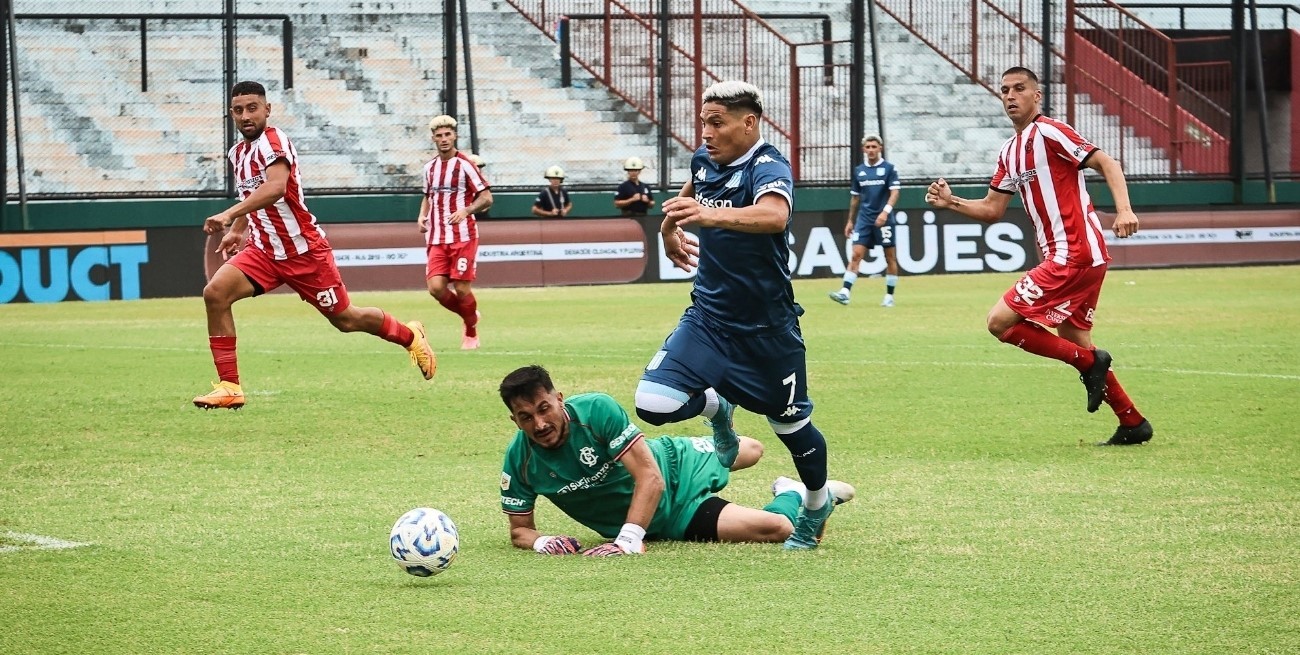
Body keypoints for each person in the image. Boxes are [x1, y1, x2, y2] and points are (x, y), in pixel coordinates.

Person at [633, 80, 838, 551]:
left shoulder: (769, 165)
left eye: (716, 122)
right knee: (653, 403)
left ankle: (815, 503)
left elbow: (774, 217)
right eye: (704, 120)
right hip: (708, 317)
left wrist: (707, 215)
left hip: (768, 330)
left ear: (748, 123)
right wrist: (668, 228)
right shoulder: (705, 160)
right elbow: (689, 196)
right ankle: (717, 408)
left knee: (792, 428)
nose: (706, 131)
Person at [924, 66, 1153, 446]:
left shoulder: (1049, 131)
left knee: (999, 322)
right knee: (1076, 338)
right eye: (1004, 90)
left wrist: (1125, 210)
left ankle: (1089, 365)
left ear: (1037, 95)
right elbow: (993, 209)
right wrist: (952, 202)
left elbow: (1106, 162)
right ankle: (1131, 421)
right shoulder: (1009, 152)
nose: (1010, 96)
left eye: (1019, 88)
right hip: (1080, 257)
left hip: (1073, 253)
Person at [193, 81, 437, 410]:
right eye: (238, 110)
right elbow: (252, 196)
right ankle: (229, 386)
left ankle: (410, 336)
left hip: (304, 252)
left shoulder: (274, 142)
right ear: (231, 115)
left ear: (267, 110)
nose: (246, 115)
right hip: (264, 252)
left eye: (252, 108)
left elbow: (276, 188)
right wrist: (238, 228)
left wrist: (229, 214)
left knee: (346, 320)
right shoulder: (238, 154)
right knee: (215, 293)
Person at [497, 365, 855, 556]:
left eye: (545, 408)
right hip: (675, 515)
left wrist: (628, 539)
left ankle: (720, 425)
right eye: (526, 417)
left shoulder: (595, 409)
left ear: (559, 399)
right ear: (515, 420)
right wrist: (542, 541)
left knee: (754, 449)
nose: (540, 423)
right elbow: (520, 530)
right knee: (779, 529)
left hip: (671, 462)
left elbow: (649, 477)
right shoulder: (519, 460)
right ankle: (794, 493)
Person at [418, 115, 493, 351]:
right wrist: (422, 215)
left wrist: (467, 210)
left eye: (447, 135)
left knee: (461, 289)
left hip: (463, 236)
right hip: (436, 236)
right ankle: (470, 315)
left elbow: (487, 197)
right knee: (436, 289)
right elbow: (428, 196)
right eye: (439, 136)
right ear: (433, 139)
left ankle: (470, 330)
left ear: (455, 136)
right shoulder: (429, 168)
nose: (443, 139)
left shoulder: (465, 165)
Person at [829, 135, 902, 307]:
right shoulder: (859, 171)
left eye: (874, 147)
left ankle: (889, 296)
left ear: (880, 148)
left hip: (884, 220)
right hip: (864, 219)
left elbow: (895, 193)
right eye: (868, 147)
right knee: (855, 255)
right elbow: (855, 199)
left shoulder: (889, 169)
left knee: (889, 257)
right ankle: (845, 292)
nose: (870, 150)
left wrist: (885, 212)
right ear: (863, 149)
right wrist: (850, 221)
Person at [465, 153, 491, 220]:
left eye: (480, 167)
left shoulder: (482, 181)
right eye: (477, 167)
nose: (479, 170)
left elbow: (486, 203)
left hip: (477, 213)